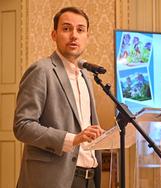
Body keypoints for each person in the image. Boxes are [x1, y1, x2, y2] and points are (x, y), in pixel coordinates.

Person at [13, 6, 104, 188]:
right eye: (66, 28)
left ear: (87, 36)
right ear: (54, 35)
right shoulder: (42, 70)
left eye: (80, 30)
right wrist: (73, 139)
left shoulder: (86, 76)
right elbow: (22, 126)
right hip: (54, 179)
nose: (74, 35)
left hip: (89, 178)